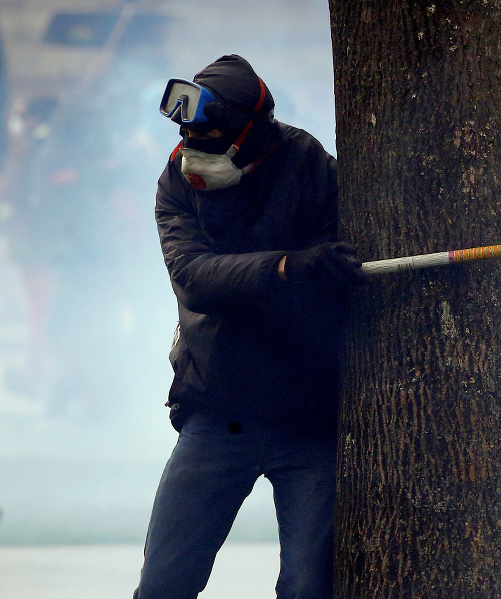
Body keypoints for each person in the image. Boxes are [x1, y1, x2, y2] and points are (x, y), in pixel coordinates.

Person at [133, 55, 366, 599]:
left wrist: (327, 265)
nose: (195, 146)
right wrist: (289, 265)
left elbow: (344, 254)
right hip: (218, 411)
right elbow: (194, 278)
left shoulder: (306, 163)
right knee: (164, 583)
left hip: (307, 416)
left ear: (251, 132)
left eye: (210, 132)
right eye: (190, 133)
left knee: (308, 586)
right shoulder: (176, 181)